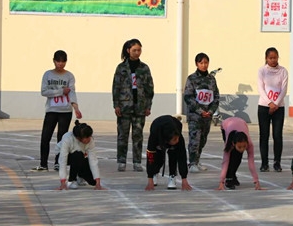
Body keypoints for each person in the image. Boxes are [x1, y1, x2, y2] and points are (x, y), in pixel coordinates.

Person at [33, 50, 82, 172]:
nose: (60, 64)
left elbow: (72, 93)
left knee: (62, 137)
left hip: (65, 111)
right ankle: (43, 164)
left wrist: (76, 108)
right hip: (52, 110)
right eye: (58, 61)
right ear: (54, 61)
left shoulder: (69, 76)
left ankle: (58, 162)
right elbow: (44, 91)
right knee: (46, 136)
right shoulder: (48, 74)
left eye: (63, 61)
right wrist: (60, 91)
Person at [112, 39, 154, 172]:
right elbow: (116, 87)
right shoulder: (121, 68)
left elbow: (150, 88)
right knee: (122, 135)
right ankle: (121, 161)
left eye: (139, 50)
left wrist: (148, 106)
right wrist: (116, 105)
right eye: (134, 50)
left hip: (140, 107)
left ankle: (137, 162)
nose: (137, 52)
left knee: (138, 136)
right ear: (128, 50)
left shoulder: (144, 68)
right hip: (124, 106)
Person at [184, 52, 220, 172]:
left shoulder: (211, 79)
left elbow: (216, 96)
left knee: (203, 140)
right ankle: (192, 163)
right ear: (196, 64)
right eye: (201, 63)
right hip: (195, 116)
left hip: (207, 115)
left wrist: (211, 111)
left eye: (206, 62)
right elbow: (188, 97)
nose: (204, 65)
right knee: (195, 139)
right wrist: (200, 111)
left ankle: (197, 160)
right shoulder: (191, 79)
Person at [257, 47, 289, 172]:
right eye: (270, 58)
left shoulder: (283, 71)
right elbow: (261, 88)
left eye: (275, 57)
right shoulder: (262, 71)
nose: (273, 60)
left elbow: (284, 89)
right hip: (264, 106)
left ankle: (277, 162)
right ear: (266, 58)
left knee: (277, 135)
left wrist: (275, 104)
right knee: (264, 135)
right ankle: (264, 163)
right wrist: (269, 103)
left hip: (278, 107)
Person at [144, 115, 192, 191]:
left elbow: (182, 158)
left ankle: (172, 176)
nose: (177, 141)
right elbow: (150, 157)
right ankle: (154, 173)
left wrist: (184, 179)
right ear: (167, 140)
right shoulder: (154, 136)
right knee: (158, 158)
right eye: (174, 139)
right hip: (158, 130)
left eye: (177, 138)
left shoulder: (178, 138)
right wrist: (150, 179)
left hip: (173, 126)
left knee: (173, 155)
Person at [55, 121, 104, 190]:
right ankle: (72, 180)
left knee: (93, 182)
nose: (89, 139)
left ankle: (80, 175)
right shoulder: (67, 138)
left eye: (90, 136)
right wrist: (63, 183)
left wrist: (98, 182)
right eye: (86, 137)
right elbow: (63, 160)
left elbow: (93, 160)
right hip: (64, 155)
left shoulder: (90, 140)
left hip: (80, 158)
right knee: (78, 154)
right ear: (78, 138)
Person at [216, 117, 262, 190]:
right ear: (233, 144)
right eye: (239, 147)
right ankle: (229, 178)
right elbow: (225, 162)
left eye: (244, 146)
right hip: (227, 124)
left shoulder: (250, 144)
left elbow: (251, 162)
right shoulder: (229, 142)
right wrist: (221, 182)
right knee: (232, 156)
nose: (242, 149)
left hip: (241, 122)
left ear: (247, 143)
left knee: (238, 157)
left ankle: (233, 175)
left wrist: (256, 181)